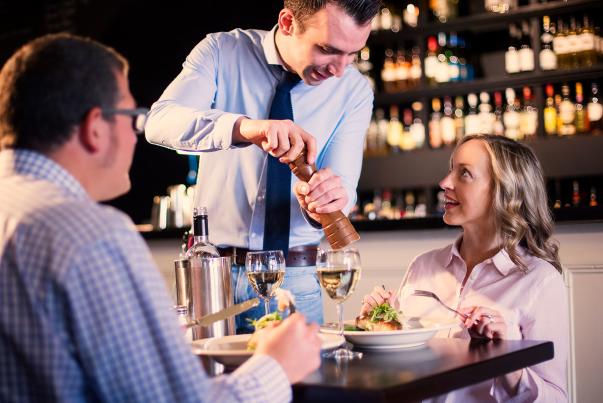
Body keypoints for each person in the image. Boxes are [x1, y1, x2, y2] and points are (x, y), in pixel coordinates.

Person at [0, 33, 321, 403]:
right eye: (132, 116)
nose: (136, 134)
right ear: (95, 128)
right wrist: (276, 367)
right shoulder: (93, 236)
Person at [145, 0, 381, 332]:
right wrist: (249, 128)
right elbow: (159, 122)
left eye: (353, 54)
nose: (339, 69)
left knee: (306, 385)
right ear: (287, 22)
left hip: (296, 279)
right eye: (328, 50)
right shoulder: (222, 51)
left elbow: (343, 187)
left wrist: (327, 199)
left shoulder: (353, 89)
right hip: (214, 277)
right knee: (209, 381)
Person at [360, 135, 568, 402]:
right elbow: (394, 372)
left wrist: (506, 361)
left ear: (503, 190)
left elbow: (557, 398)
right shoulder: (423, 266)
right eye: (450, 171)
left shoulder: (540, 281)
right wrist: (376, 327)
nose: (444, 183)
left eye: (464, 174)